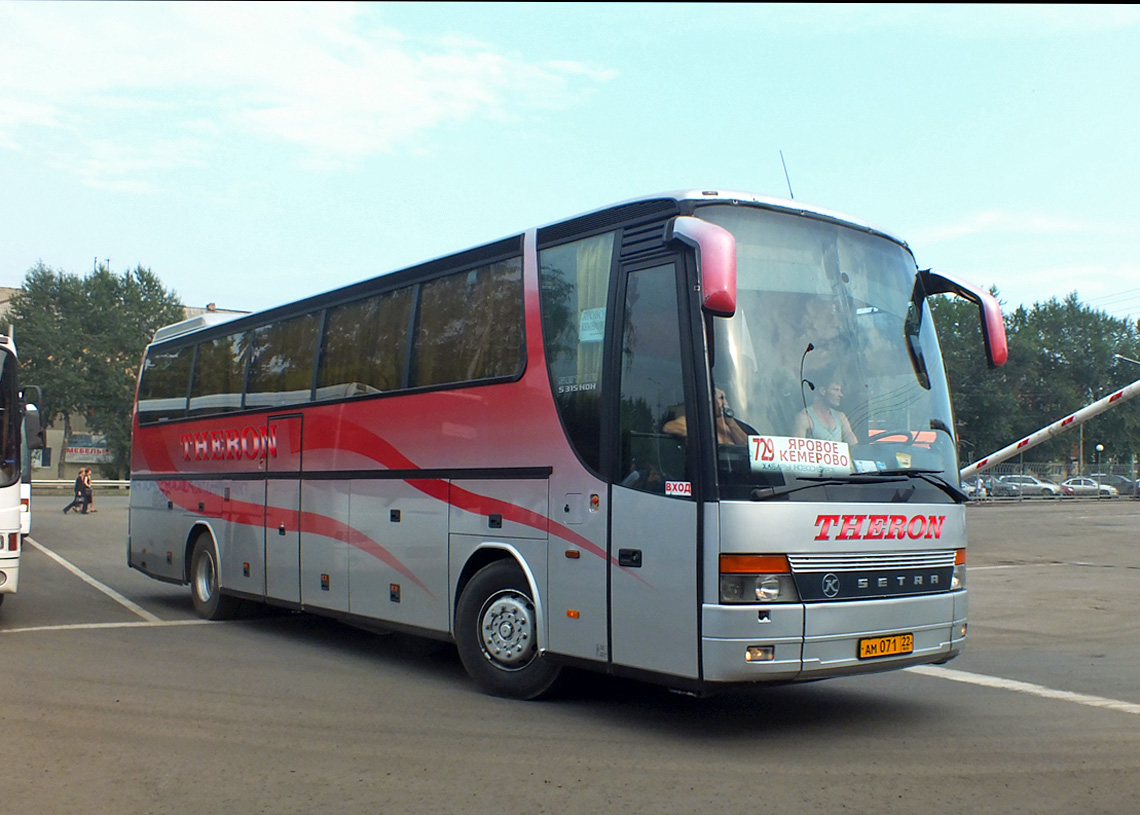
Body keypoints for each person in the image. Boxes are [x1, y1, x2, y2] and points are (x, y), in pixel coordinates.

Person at [663, 389, 755, 444]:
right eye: (721, 398)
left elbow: (747, 446)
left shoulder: (732, 426)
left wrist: (731, 423)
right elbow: (669, 427)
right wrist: (706, 436)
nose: (726, 403)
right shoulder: (696, 420)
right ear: (710, 400)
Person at [793, 374, 858, 444]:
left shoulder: (840, 417)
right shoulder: (804, 418)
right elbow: (797, 448)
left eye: (840, 390)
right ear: (823, 391)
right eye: (836, 390)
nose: (840, 395)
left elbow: (853, 445)